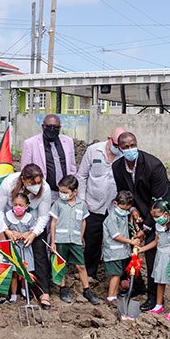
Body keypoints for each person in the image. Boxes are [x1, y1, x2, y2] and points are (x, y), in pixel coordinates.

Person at [112, 131, 170, 311]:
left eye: (132, 145)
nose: (130, 149)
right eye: (125, 147)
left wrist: (145, 229)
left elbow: (158, 201)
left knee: (155, 254)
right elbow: (125, 193)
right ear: (119, 148)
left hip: (164, 211)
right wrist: (134, 211)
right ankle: (137, 285)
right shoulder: (117, 167)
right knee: (131, 248)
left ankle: (154, 298)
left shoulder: (153, 165)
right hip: (142, 208)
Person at [0, 165, 53, 309]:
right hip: (10, 223)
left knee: (39, 255)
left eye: (38, 182)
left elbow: (43, 215)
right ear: (23, 179)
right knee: (8, 256)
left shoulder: (45, 189)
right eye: (32, 183)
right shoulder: (9, 183)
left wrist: (33, 233)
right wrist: (7, 230)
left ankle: (43, 292)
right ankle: (6, 292)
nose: (36, 186)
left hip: (32, 225)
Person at [77, 126, 126, 280]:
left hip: (115, 208)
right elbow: (82, 176)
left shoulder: (125, 155)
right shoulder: (93, 151)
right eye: (116, 144)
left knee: (116, 241)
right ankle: (90, 274)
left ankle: (116, 275)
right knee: (92, 241)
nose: (119, 148)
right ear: (109, 138)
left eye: (121, 146)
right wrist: (82, 200)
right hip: (93, 205)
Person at [50, 175, 100, 305]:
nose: (62, 194)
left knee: (81, 265)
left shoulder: (81, 205)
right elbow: (53, 223)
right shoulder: (58, 204)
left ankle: (87, 290)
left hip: (75, 240)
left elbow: (83, 222)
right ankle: (63, 288)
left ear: (75, 191)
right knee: (61, 264)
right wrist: (53, 242)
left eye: (65, 192)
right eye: (61, 191)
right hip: (61, 240)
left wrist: (81, 236)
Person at [136, 200, 170, 321]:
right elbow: (156, 242)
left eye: (157, 216)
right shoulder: (158, 226)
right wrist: (141, 249)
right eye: (153, 217)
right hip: (161, 255)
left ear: (166, 213)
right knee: (159, 281)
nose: (155, 219)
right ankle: (158, 305)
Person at [21, 114, 76, 202]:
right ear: (43, 127)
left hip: (64, 193)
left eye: (55, 127)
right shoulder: (30, 143)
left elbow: (72, 167)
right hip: (41, 193)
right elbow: (25, 170)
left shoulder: (68, 141)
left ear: (60, 128)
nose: (52, 129)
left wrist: (71, 188)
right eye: (49, 126)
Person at [102, 191, 137, 304]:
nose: (123, 211)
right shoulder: (111, 218)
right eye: (121, 208)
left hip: (121, 252)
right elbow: (116, 236)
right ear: (115, 203)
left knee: (119, 274)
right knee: (115, 275)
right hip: (113, 253)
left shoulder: (124, 216)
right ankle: (111, 297)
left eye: (126, 209)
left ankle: (115, 294)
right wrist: (131, 241)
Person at [4, 192, 37, 303]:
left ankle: (24, 289)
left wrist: (25, 235)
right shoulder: (8, 216)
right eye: (15, 204)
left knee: (24, 271)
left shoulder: (29, 218)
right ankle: (13, 293)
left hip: (25, 247)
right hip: (14, 248)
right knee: (14, 272)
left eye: (21, 205)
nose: (18, 207)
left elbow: (33, 230)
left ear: (26, 206)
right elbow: (5, 229)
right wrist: (12, 233)